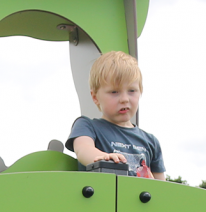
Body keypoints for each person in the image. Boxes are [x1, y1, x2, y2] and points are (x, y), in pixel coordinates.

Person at [65, 50, 166, 180]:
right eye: (114, 92)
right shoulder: (87, 126)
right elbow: (83, 149)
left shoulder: (151, 141)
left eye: (131, 91)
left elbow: (162, 186)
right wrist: (101, 157)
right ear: (95, 97)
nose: (124, 99)